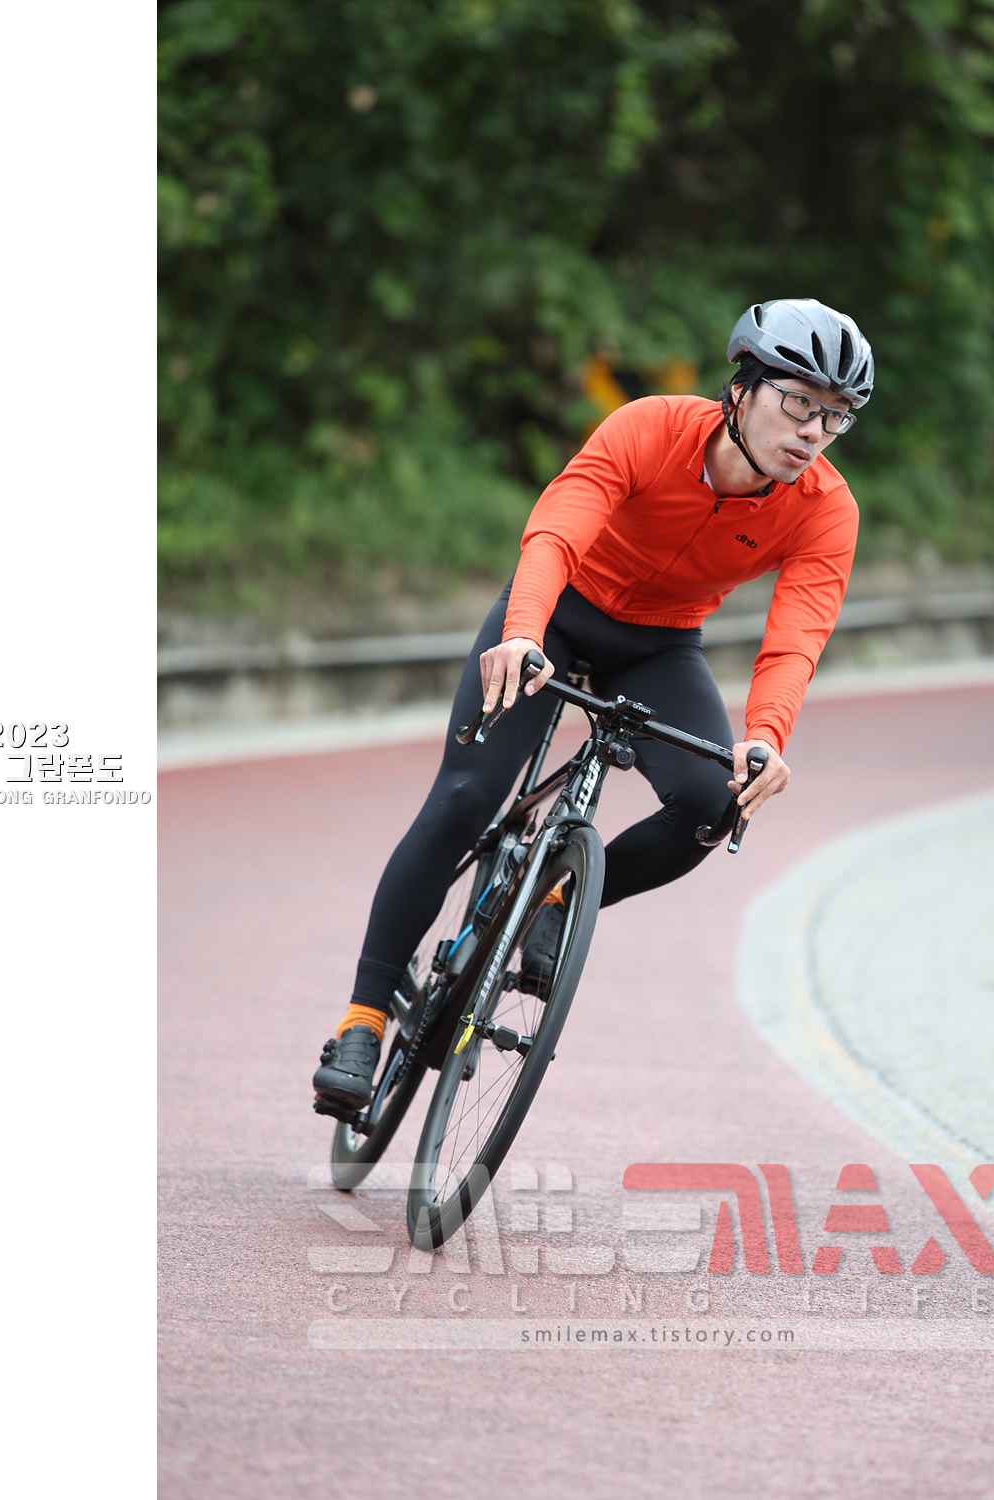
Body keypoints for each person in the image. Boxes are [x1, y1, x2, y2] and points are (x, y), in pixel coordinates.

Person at [313, 298, 875, 1111]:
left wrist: (765, 735)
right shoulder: (650, 428)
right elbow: (558, 531)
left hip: (659, 647)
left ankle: (559, 897)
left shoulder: (825, 508)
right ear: (742, 387)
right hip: (554, 614)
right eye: (798, 403)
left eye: (835, 416)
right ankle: (363, 1019)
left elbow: (796, 637)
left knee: (712, 804)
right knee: (467, 797)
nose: (813, 431)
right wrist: (522, 632)